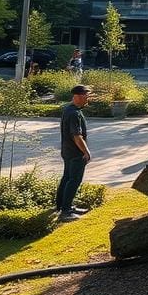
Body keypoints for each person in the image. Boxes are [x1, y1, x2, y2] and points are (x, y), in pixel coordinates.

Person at [56, 84, 93, 222]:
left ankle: (63, 206)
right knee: (74, 180)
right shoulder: (74, 113)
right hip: (76, 153)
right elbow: (77, 136)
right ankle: (66, 212)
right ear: (77, 96)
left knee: (67, 178)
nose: (87, 98)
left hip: (67, 151)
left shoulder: (69, 109)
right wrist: (86, 151)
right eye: (86, 96)